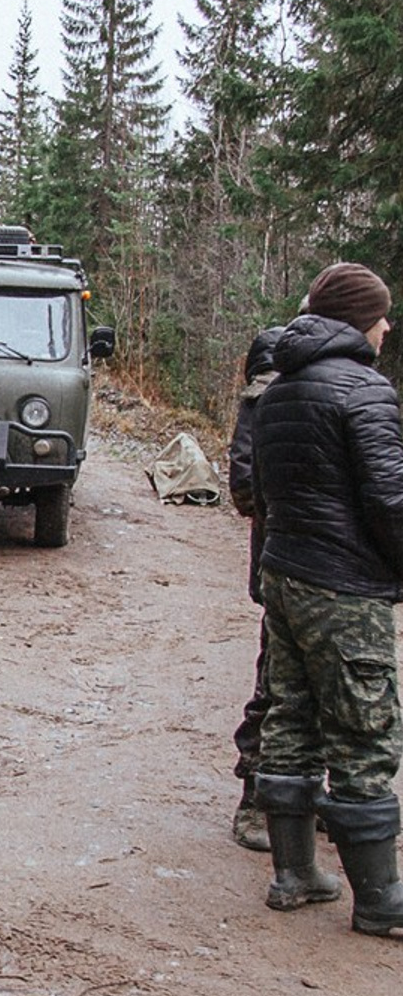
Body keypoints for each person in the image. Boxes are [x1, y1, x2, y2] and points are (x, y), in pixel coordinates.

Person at [252, 262, 403, 935]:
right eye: (381, 315)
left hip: (285, 576)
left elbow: (261, 492)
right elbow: (391, 499)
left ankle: (295, 874)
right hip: (344, 587)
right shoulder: (366, 391)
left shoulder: (279, 389)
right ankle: (380, 900)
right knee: (364, 732)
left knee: (292, 718)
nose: (388, 326)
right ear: (359, 321)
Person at [226, 326, 286, 851]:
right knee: (277, 684)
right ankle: (257, 800)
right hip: (287, 562)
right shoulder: (269, 397)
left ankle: (298, 797)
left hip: (293, 560)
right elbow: (243, 481)